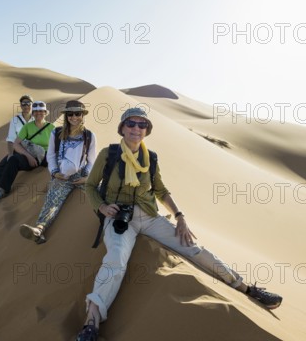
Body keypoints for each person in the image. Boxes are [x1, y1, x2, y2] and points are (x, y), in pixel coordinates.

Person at [75, 107, 283, 341]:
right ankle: (91, 321)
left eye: (142, 125)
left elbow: (161, 190)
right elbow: (90, 186)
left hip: (149, 216)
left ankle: (246, 288)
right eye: (131, 124)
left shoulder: (150, 157)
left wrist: (180, 216)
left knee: (193, 248)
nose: (136, 129)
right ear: (122, 127)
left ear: (147, 130)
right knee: (116, 259)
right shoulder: (109, 154)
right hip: (119, 218)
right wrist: (102, 207)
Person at [19, 100, 97, 244]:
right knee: (53, 201)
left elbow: (92, 160)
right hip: (62, 176)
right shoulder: (57, 132)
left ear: (82, 115)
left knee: (101, 194)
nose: (74, 117)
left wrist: (86, 177)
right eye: (70, 114)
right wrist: (55, 173)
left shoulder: (89, 136)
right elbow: (51, 156)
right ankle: (39, 230)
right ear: (66, 116)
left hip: (82, 176)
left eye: (77, 113)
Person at [0, 101, 54, 204]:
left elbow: (59, 144)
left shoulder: (51, 127)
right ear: (33, 114)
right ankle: (2, 190)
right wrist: (28, 156)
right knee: (13, 159)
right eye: (36, 112)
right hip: (31, 157)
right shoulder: (27, 127)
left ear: (45, 113)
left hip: (46, 157)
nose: (38, 114)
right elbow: (16, 143)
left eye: (41, 111)